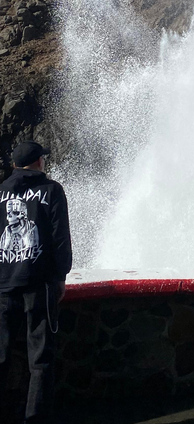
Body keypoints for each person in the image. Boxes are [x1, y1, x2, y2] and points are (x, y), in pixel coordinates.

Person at [0, 141, 72, 424]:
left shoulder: (1, 191)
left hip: (4, 285)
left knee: (1, 355)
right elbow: (59, 237)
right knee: (40, 358)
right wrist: (61, 276)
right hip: (38, 284)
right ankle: (36, 418)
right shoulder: (51, 190)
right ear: (39, 162)